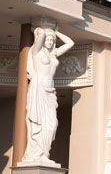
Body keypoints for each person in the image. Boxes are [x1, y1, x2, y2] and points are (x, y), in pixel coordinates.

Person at [21, 25, 74, 165]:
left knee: (52, 124)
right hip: (39, 90)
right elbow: (41, 35)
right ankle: (37, 153)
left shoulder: (54, 54)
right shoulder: (36, 52)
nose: (50, 42)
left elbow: (70, 43)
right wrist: (41, 30)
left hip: (50, 92)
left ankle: (44, 153)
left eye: (52, 40)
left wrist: (57, 32)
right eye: (48, 39)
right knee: (39, 122)